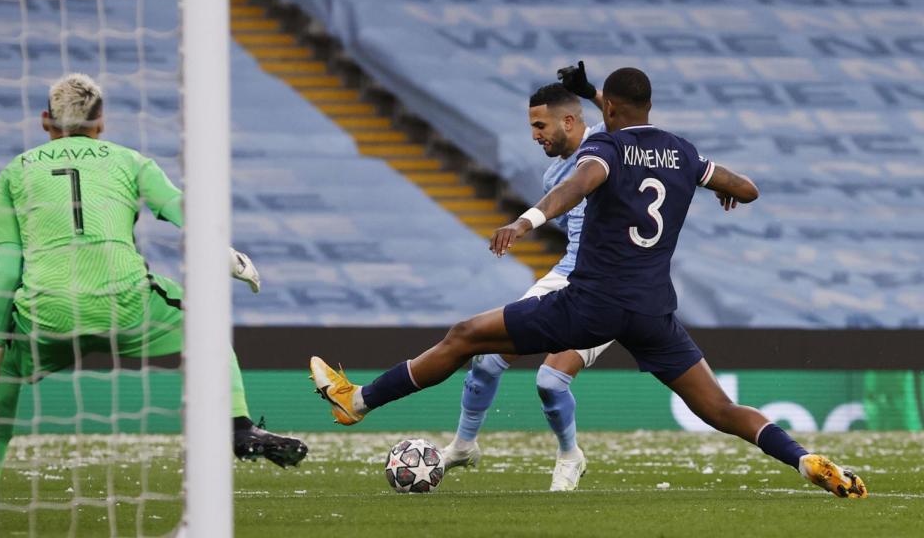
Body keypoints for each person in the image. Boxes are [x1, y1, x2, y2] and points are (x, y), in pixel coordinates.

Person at [310, 66, 867, 499]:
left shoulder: (604, 148)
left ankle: (356, 400)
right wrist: (726, 189)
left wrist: (524, 222)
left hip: (591, 306)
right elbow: (746, 188)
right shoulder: (682, 152)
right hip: (652, 312)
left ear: (609, 108)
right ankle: (804, 460)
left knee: (465, 337)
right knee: (720, 411)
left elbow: (580, 184)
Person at [0, 73, 307, 524]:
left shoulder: (15, 171)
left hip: (47, 313)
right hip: (123, 301)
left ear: (45, 121)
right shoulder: (129, 161)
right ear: (101, 122)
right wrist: (225, 254)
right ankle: (239, 427)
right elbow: (186, 211)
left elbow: (6, 272)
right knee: (205, 321)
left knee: (4, 379)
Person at [442, 79, 611, 493]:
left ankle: (570, 455)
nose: (534, 136)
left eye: (539, 126)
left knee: (550, 381)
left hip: (610, 286)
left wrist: (591, 91)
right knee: (485, 358)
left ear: (569, 121)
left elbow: (627, 121)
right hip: (564, 276)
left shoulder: (610, 143)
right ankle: (463, 446)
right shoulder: (555, 172)